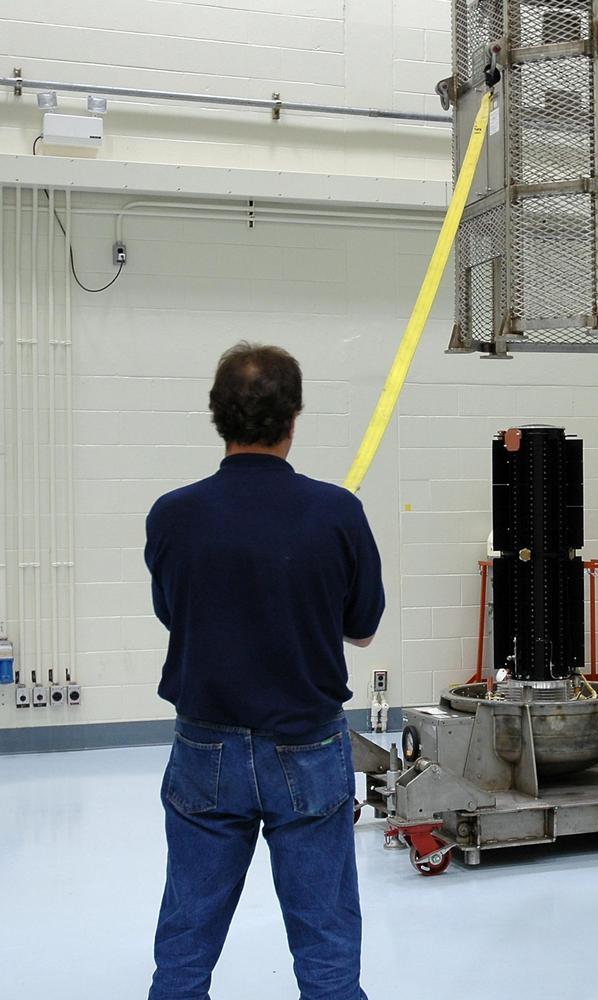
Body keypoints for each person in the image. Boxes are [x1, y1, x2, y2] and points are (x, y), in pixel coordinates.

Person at [145, 343, 385, 1000]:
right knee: (326, 940)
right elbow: (362, 627)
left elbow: (175, 613)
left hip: (205, 748)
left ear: (217, 416)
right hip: (307, 747)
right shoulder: (337, 513)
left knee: (187, 936)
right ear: (294, 417)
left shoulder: (173, 514)